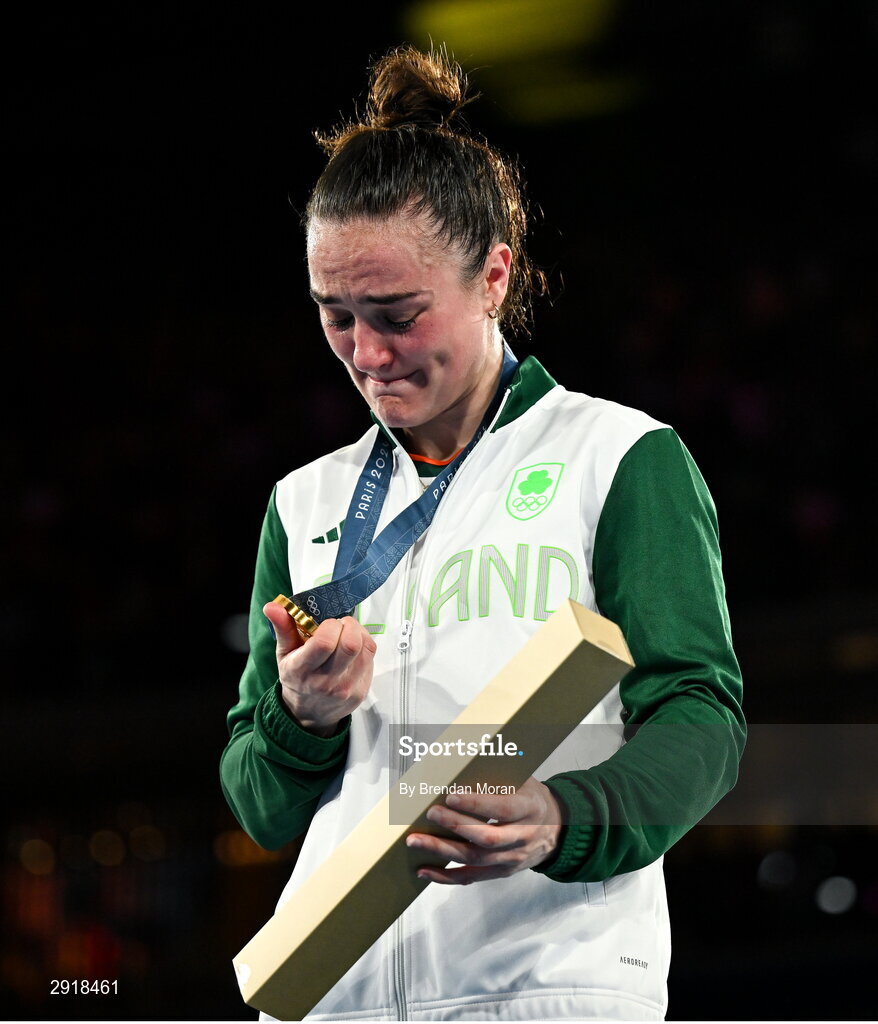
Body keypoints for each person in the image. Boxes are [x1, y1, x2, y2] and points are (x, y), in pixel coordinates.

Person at [221, 44, 745, 1022]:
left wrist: (564, 815)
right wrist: (300, 719)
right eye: (334, 316)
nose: (366, 354)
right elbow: (261, 803)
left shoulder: (616, 456)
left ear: (493, 276)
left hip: (544, 986)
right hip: (334, 998)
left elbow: (700, 719)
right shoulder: (306, 501)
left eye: (397, 313)